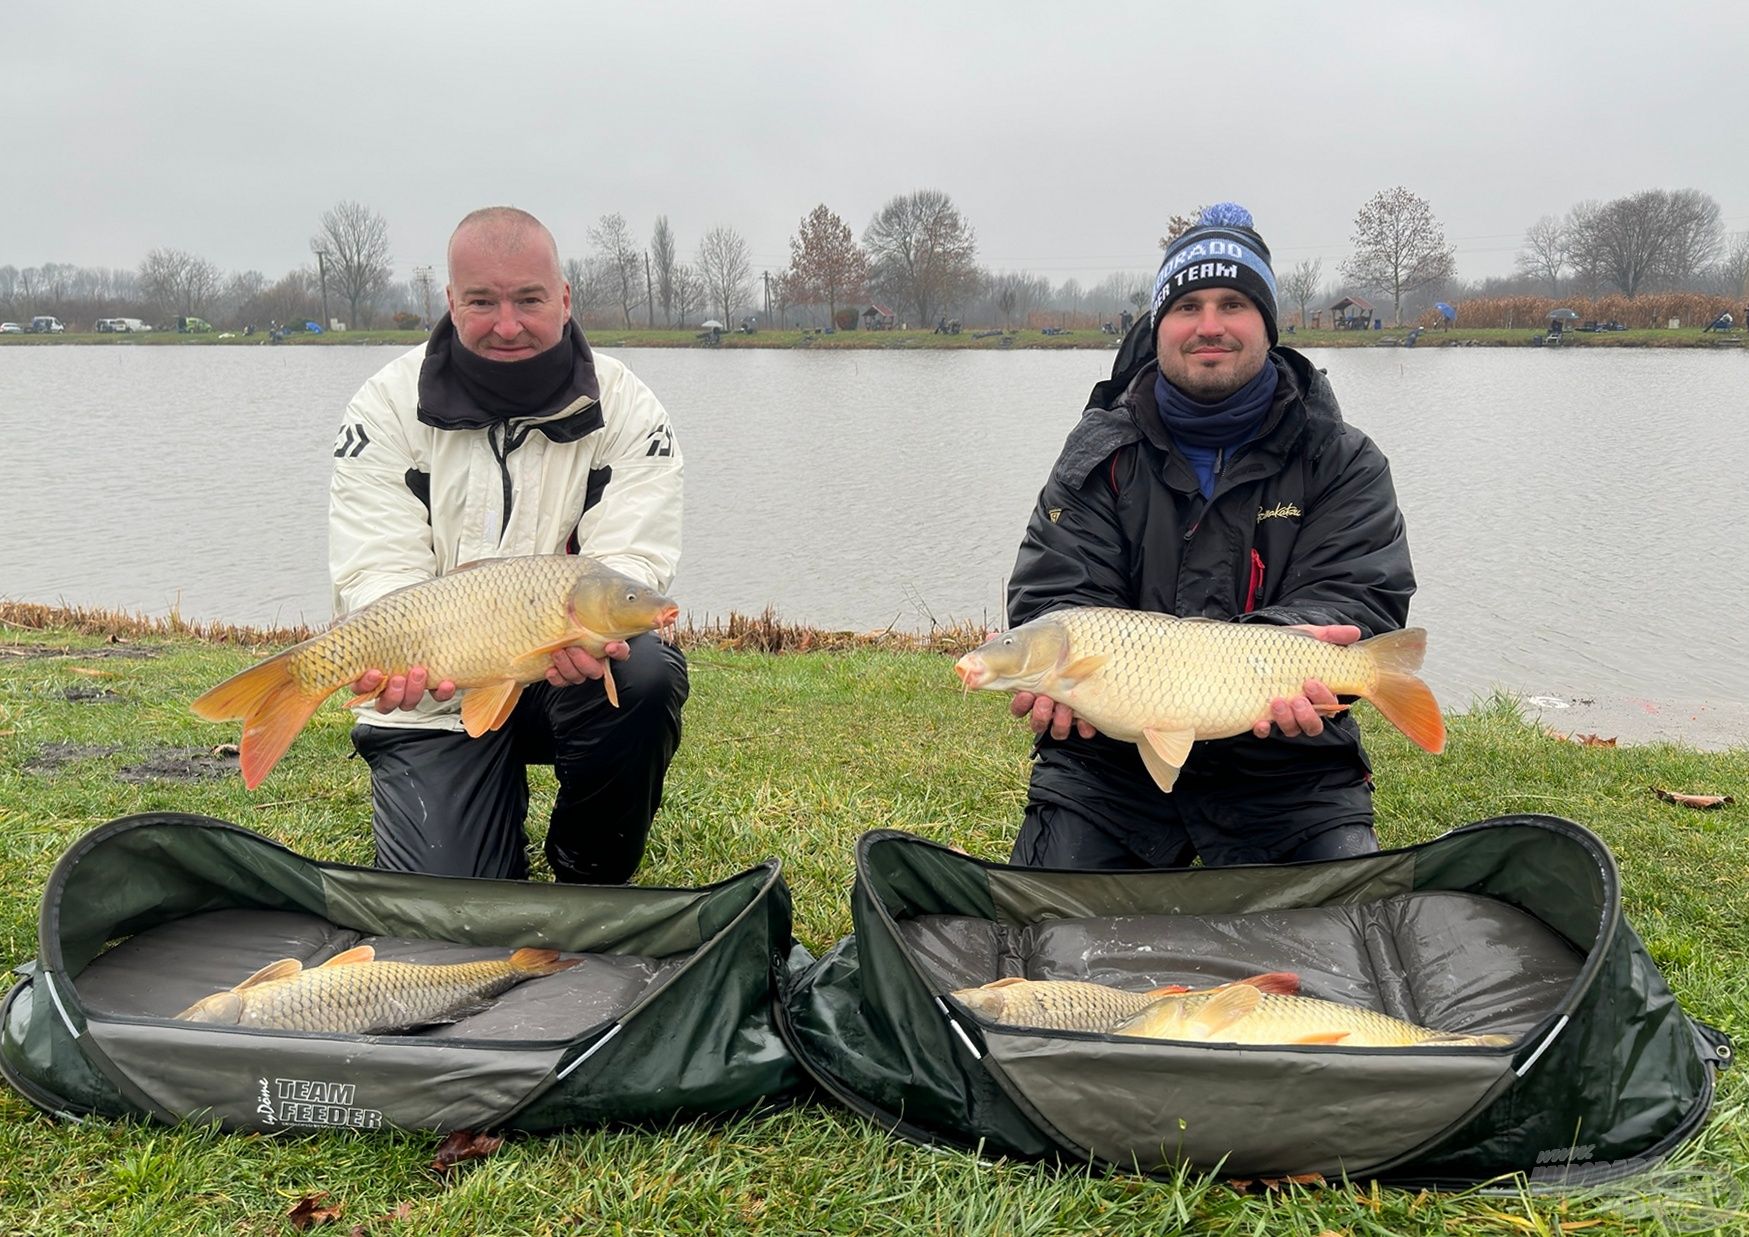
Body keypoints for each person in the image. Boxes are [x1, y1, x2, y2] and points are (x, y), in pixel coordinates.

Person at [1003, 202, 1417, 871]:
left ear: (1267, 324)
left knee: (1330, 958)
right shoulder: (1098, 452)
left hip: (1290, 767)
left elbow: (1357, 596)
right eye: (1187, 304)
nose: (1209, 326)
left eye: (1232, 303)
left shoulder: (1340, 459)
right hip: (1109, 762)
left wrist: (1291, 655)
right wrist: (1061, 683)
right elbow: (1054, 594)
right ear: (1158, 324)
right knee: (1052, 949)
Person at [329, 206, 688, 884]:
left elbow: (632, 564)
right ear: (450, 302)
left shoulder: (629, 407)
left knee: (644, 669)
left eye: (527, 299)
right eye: (482, 302)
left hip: (569, 674)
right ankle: (469, 826)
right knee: (452, 913)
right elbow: (374, 565)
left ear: (563, 297)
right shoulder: (383, 405)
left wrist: (597, 638)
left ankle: (590, 871)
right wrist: (391, 656)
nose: (507, 324)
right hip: (434, 692)